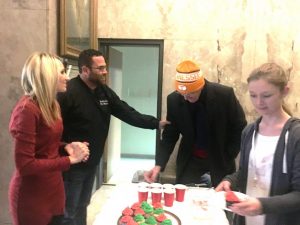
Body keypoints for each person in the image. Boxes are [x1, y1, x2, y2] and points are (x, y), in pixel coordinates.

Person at [56, 49, 169, 225]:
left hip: (92, 161)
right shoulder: (68, 92)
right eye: (100, 68)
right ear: (85, 70)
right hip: (72, 165)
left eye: (105, 67)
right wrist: (65, 147)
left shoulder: (104, 92)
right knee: (68, 211)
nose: (105, 71)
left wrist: (155, 123)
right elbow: (54, 128)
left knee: (83, 205)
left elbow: (126, 112)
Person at [8, 52, 90, 225]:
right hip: (32, 197)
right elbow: (25, 165)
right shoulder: (27, 110)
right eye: (61, 72)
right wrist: (69, 160)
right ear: (47, 76)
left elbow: (45, 143)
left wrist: (65, 146)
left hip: (53, 189)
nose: (67, 77)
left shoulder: (53, 105)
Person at [215, 62, 300, 225]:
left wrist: (262, 205)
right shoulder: (249, 132)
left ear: (285, 91)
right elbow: (246, 172)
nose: (259, 102)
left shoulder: (295, 135)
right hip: (246, 218)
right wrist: (230, 180)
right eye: (253, 95)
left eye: (266, 95)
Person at [144, 59, 247, 187]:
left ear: (200, 86)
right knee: (184, 197)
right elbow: (170, 135)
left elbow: (239, 126)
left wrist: (229, 154)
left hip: (220, 158)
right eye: (182, 94)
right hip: (190, 160)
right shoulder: (174, 100)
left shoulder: (224, 95)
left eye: (191, 93)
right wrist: (159, 165)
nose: (186, 97)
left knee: (219, 200)